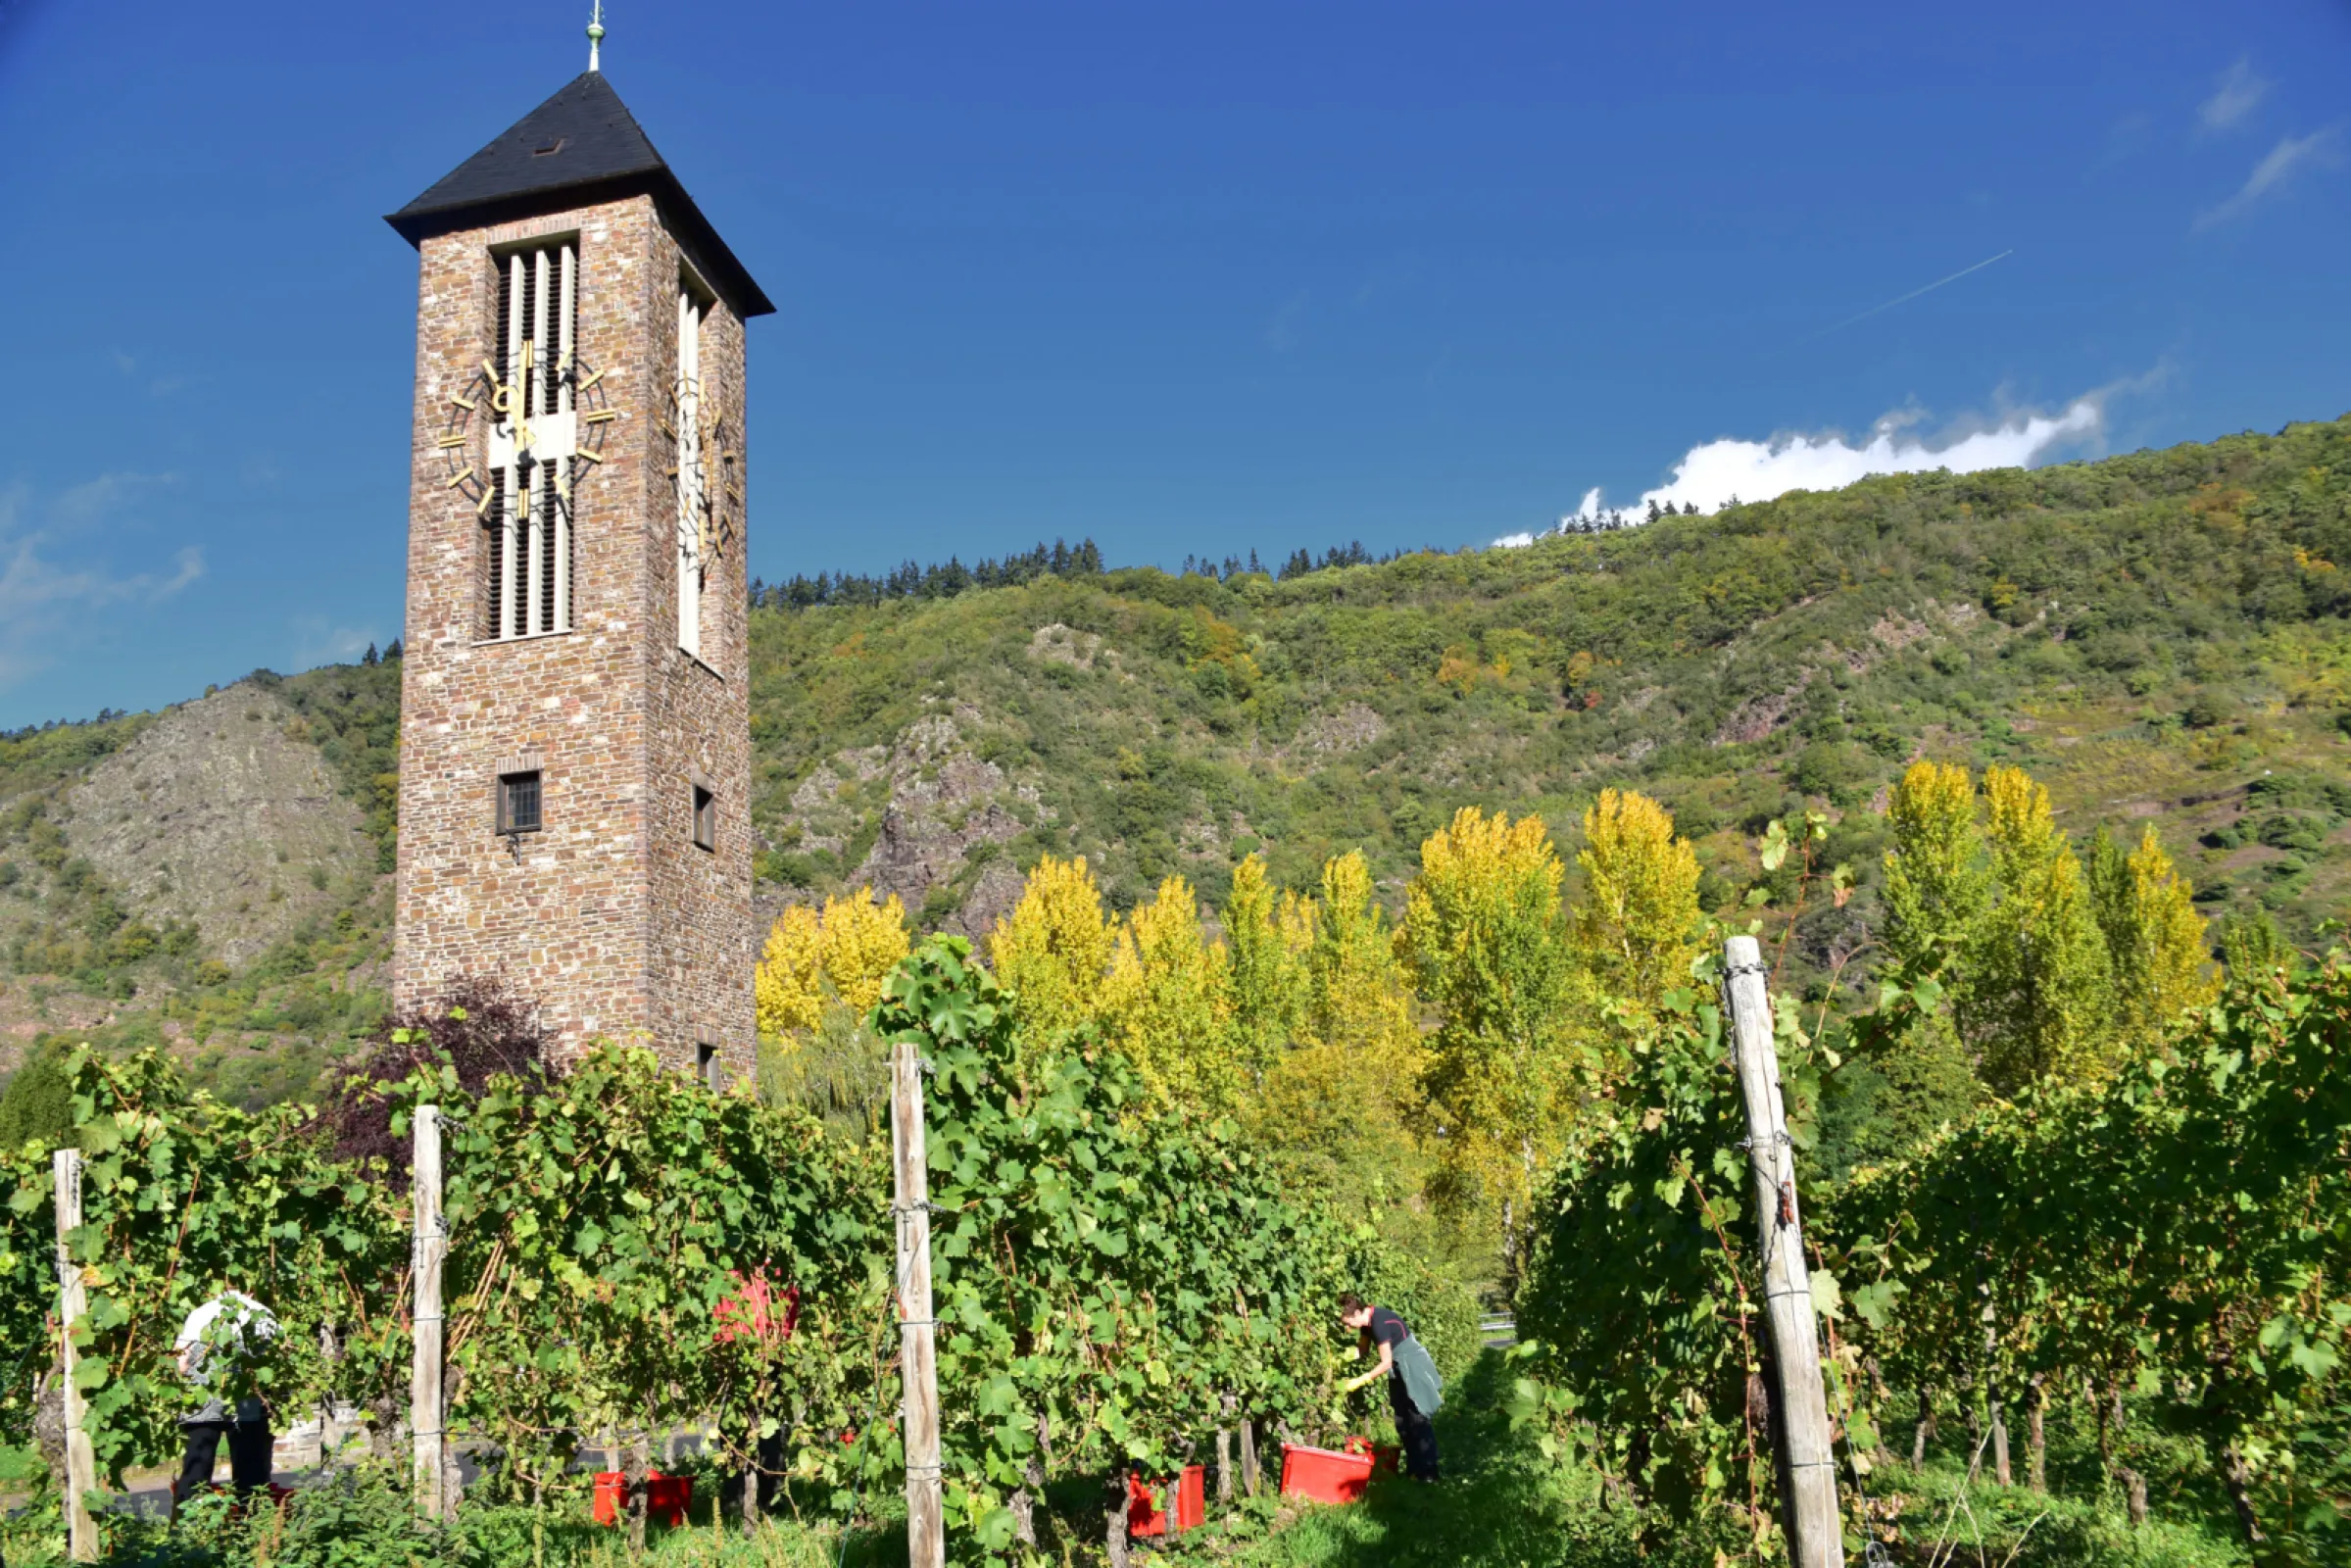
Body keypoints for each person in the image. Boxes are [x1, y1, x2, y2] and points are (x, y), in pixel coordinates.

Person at [171, 1288, 279, 1516]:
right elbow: (274, 1362)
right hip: (246, 1402)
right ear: (251, 1291)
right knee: (250, 1473)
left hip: (202, 1399)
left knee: (196, 1467)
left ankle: (187, 1529)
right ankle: (251, 1529)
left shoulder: (200, 1313)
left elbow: (181, 1362)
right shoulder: (263, 1313)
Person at [1338, 1292, 1442, 1481]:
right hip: (1399, 1369)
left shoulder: (1379, 1323)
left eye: (1347, 1323)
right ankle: (1414, 1470)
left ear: (1358, 1313)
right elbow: (1363, 1350)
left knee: (1417, 1418)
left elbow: (1386, 1362)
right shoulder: (1366, 1325)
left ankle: (1429, 1473)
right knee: (1402, 1421)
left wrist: (1362, 1379)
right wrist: (1341, 1360)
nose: (1347, 1328)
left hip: (1412, 1366)